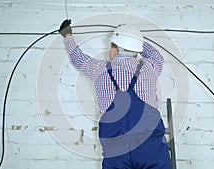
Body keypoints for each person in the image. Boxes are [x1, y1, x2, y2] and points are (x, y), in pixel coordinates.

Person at [59, 19, 172, 169]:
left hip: (116, 151)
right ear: (136, 51)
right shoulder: (150, 67)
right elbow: (156, 55)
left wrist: (67, 35)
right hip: (150, 148)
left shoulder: (99, 69)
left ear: (114, 48)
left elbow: (78, 58)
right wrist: (134, 40)